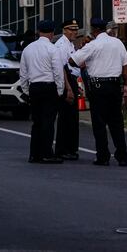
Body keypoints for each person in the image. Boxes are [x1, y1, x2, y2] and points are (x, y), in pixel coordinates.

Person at [71, 18, 127, 167]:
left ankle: (103, 156)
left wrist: (84, 48)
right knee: (117, 122)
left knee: (99, 123)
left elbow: (73, 61)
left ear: (94, 30)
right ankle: (122, 155)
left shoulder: (93, 45)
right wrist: (126, 86)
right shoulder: (117, 43)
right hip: (115, 85)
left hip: (98, 87)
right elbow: (125, 67)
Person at [19, 20, 66, 164]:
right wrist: (59, 89)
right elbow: (57, 71)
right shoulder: (53, 49)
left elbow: (23, 72)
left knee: (36, 122)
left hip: (34, 87)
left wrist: (26, 90)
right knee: (48, 121)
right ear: (52, 33)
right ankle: (46, 153)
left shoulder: (28, 49)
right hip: (49, 87)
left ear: (38, 32)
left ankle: (34, 154)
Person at [54, 19, 81, 160]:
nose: (75, 32)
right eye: (71, 29)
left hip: (72, 80)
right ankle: (62, 149)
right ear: (64, 30)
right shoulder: (60, 45)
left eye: (76, 29)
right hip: (66, 81)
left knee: (72, 118)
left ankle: (71, 148)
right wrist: (68, 88)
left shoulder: (70, 44)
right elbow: (62, 68)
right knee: (65, 117)